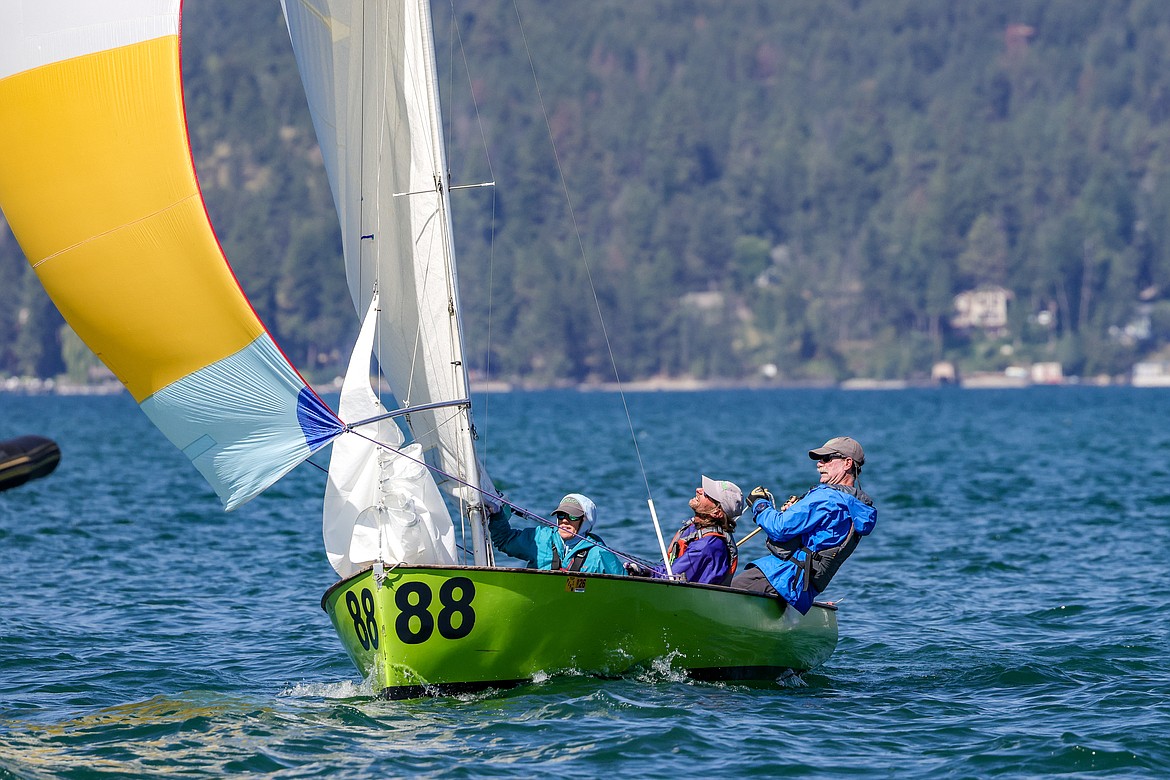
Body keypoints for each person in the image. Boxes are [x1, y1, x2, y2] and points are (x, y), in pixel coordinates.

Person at [731, 436, 877, 613]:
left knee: (727, 594)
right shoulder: (853, 505)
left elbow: (780, 528)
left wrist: (760, 504)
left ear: (847, 463)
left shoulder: (827, 498)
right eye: (819, 460)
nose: (819, 464)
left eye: (826, 458)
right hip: (802, 590)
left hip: (780, 576)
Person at [625, 476, 745, 585]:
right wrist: (642, 571)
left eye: (707, 494)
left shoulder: (706, 546)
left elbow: (669, 577)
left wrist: (645, 573)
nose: (698, 490)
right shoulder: (697, 529)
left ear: (716, 513)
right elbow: (669, 572)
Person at [488, 493, 625, 575]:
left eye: (572, 516)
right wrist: (497, 514)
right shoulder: (541, 538)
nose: (564, 520)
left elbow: (624, 588)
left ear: (585, 521)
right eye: (561, 515)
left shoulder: (600, 554)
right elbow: (504, 540)